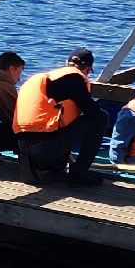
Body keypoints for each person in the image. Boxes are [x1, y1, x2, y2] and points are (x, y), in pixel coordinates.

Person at [13, 48, 106, 186]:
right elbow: (93, 112)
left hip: (20, 143)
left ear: (66, 63)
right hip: (45, 147)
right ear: (87, 68)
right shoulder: (75, 78)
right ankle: (79, 173)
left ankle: (33, 160)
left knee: (58, 165)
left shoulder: (45, 78)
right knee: (101, 118)